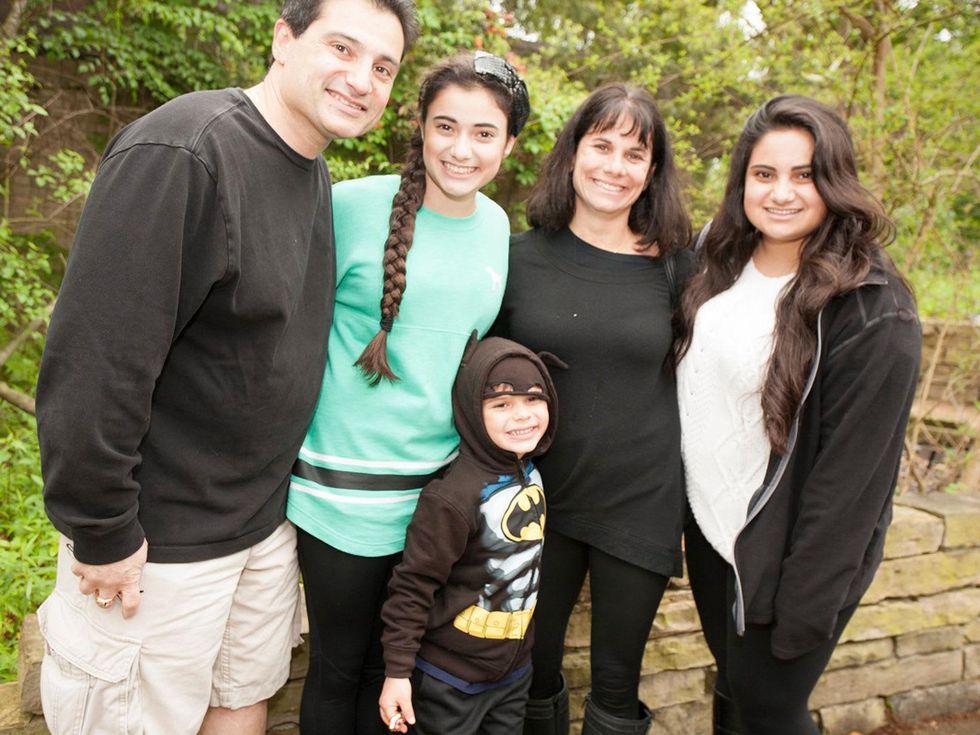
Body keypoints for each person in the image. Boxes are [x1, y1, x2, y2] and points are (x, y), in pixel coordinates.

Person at [33, 1, 418, 733]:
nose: (361, 79)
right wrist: (103, 528)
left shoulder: (309, 171)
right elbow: (95, 359)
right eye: (342, 48)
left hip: (260, 530)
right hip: (158, 544)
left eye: (382, 67)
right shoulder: (186, 152)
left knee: (242, 707)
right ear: (283, 39)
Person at [285, 51, 531, 734]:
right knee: (340, 669)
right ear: (419, 126)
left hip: (439, 501)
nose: (461, 149)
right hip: (341, 494)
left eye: (484, 133)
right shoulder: (347, 206)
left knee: (398, 672)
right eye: (445, 126)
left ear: (509, 145)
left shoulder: (496, 228)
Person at [674, 95, 921, 735]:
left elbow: (852, 485)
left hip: (790, 559)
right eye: (764, 174)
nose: (781, 193)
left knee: (770, 711)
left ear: (835, 182)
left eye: (804, 175)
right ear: (742, 181)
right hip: (713, 536)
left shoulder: (872, 307)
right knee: (736, 695)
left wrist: (803, 604)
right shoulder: (717, 259)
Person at [494, 83, 691, 735]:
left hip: (641, 499)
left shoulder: (681, 269)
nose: (615, 166)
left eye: (635, 154)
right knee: (529, 671)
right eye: (602, 146)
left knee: (615, 681)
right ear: (573, 153)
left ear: (652, 171)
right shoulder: (517, 257)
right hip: (536, 498)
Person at [378, 335, 561, 735]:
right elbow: (413, 585)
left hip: (514, 675)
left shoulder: (530, 472)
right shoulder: (452, 497)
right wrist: (397, 672)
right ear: (471, 411)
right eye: (501, 404)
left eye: (534, 398)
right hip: (449, 680)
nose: (522, 415)